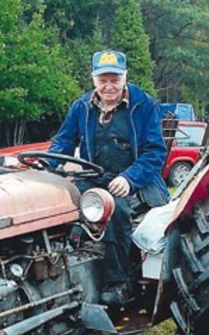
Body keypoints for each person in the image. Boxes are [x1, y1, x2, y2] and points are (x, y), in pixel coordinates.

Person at [49, 49, 168, 305]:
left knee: (113, 209)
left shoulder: (143, 105)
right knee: (57, 202)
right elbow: (63, 143)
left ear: (125, 77)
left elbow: (155, 152)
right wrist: (46, 167)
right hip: (95, 179)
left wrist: (129, 178)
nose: (109, 86)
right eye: (103, 79)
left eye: (115, 79)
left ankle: (120, 282)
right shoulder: (82, 106)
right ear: (94, 79)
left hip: (139, 183)